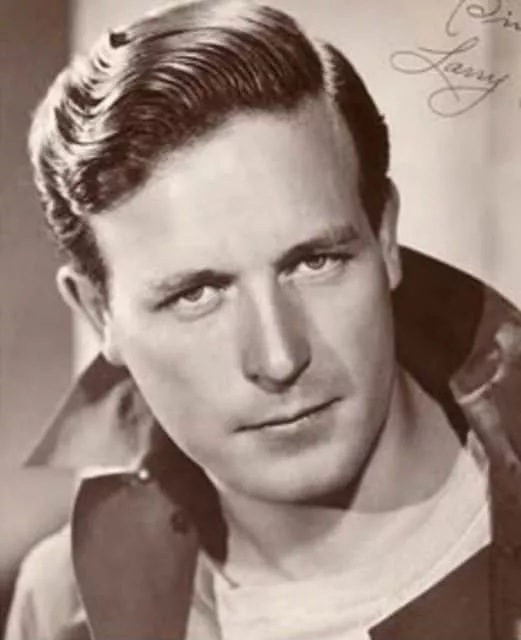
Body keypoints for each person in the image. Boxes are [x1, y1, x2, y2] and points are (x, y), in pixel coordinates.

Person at [6, 1, 521, 638]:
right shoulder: (63, 608)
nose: (279, 357)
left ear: (385, 236)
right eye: (197, 294)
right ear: (98, 311)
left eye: (314, 262)